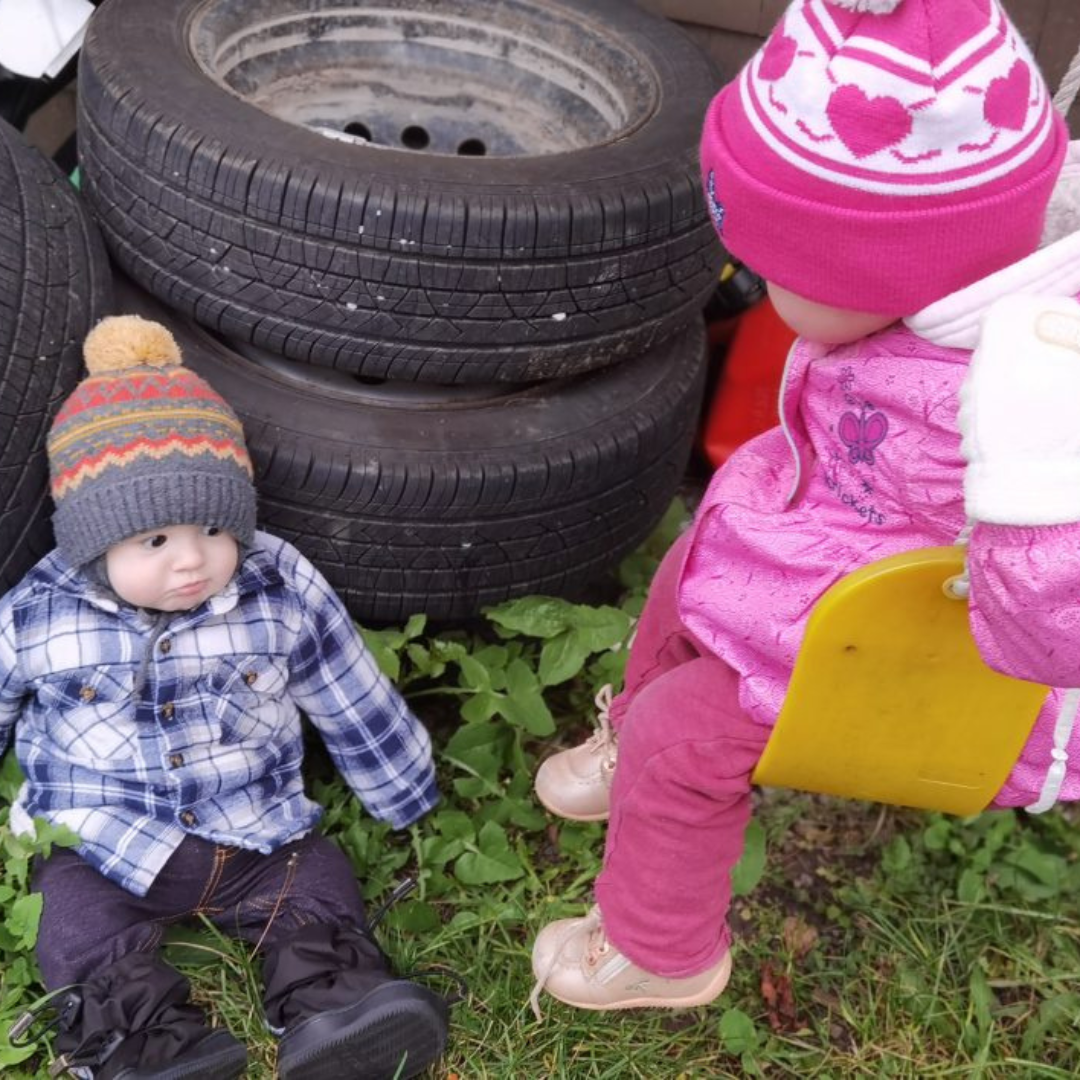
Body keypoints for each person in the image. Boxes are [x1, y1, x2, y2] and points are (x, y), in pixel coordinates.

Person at [529, 0, 1080, 1015]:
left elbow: (1058, 615)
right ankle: (630, 737)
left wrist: (1017, 550)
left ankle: (662, 950)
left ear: (895, 267)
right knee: (688, 563)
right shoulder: (938, 291)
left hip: (928, 661)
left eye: (778, 269)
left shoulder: (1033, 395)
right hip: (817, 567)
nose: (749, 277)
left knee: (685, 745)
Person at [0, 314, 450, 1078]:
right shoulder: (38, 613)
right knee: (74, 923)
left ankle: (335, 1003)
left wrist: (403, 791)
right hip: (102, 841)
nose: (193, 561)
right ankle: (141, 1038)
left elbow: (345, 688)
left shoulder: (277, 584)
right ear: (93, 541)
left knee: (318, 885)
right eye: (154, 541)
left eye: (214, 526)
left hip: (255, 836)